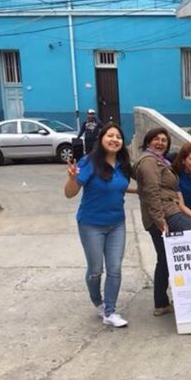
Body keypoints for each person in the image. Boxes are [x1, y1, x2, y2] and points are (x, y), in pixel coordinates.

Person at [64, 123, 132, 328]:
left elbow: (119, 188)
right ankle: (97, 302)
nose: (114, 139)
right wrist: (72, 178)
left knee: (115, 269)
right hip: (91, 224)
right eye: (110, 136)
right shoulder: (89, 162)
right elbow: (70, 193)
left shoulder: (123, 164)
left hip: (117, 224)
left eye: (118, 137)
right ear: (101, 139)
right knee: (95, 270)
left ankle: (109, 312)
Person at [133, 128, 191, 317]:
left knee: (164, 259)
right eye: (156, 139)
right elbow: (152, 193)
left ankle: (161, 303)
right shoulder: (148, 162)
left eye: (164, 140)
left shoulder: (159, 160)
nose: (161, 143)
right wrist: (161, 222)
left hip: (161, 214)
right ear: (148, 141)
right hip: (165, 214)